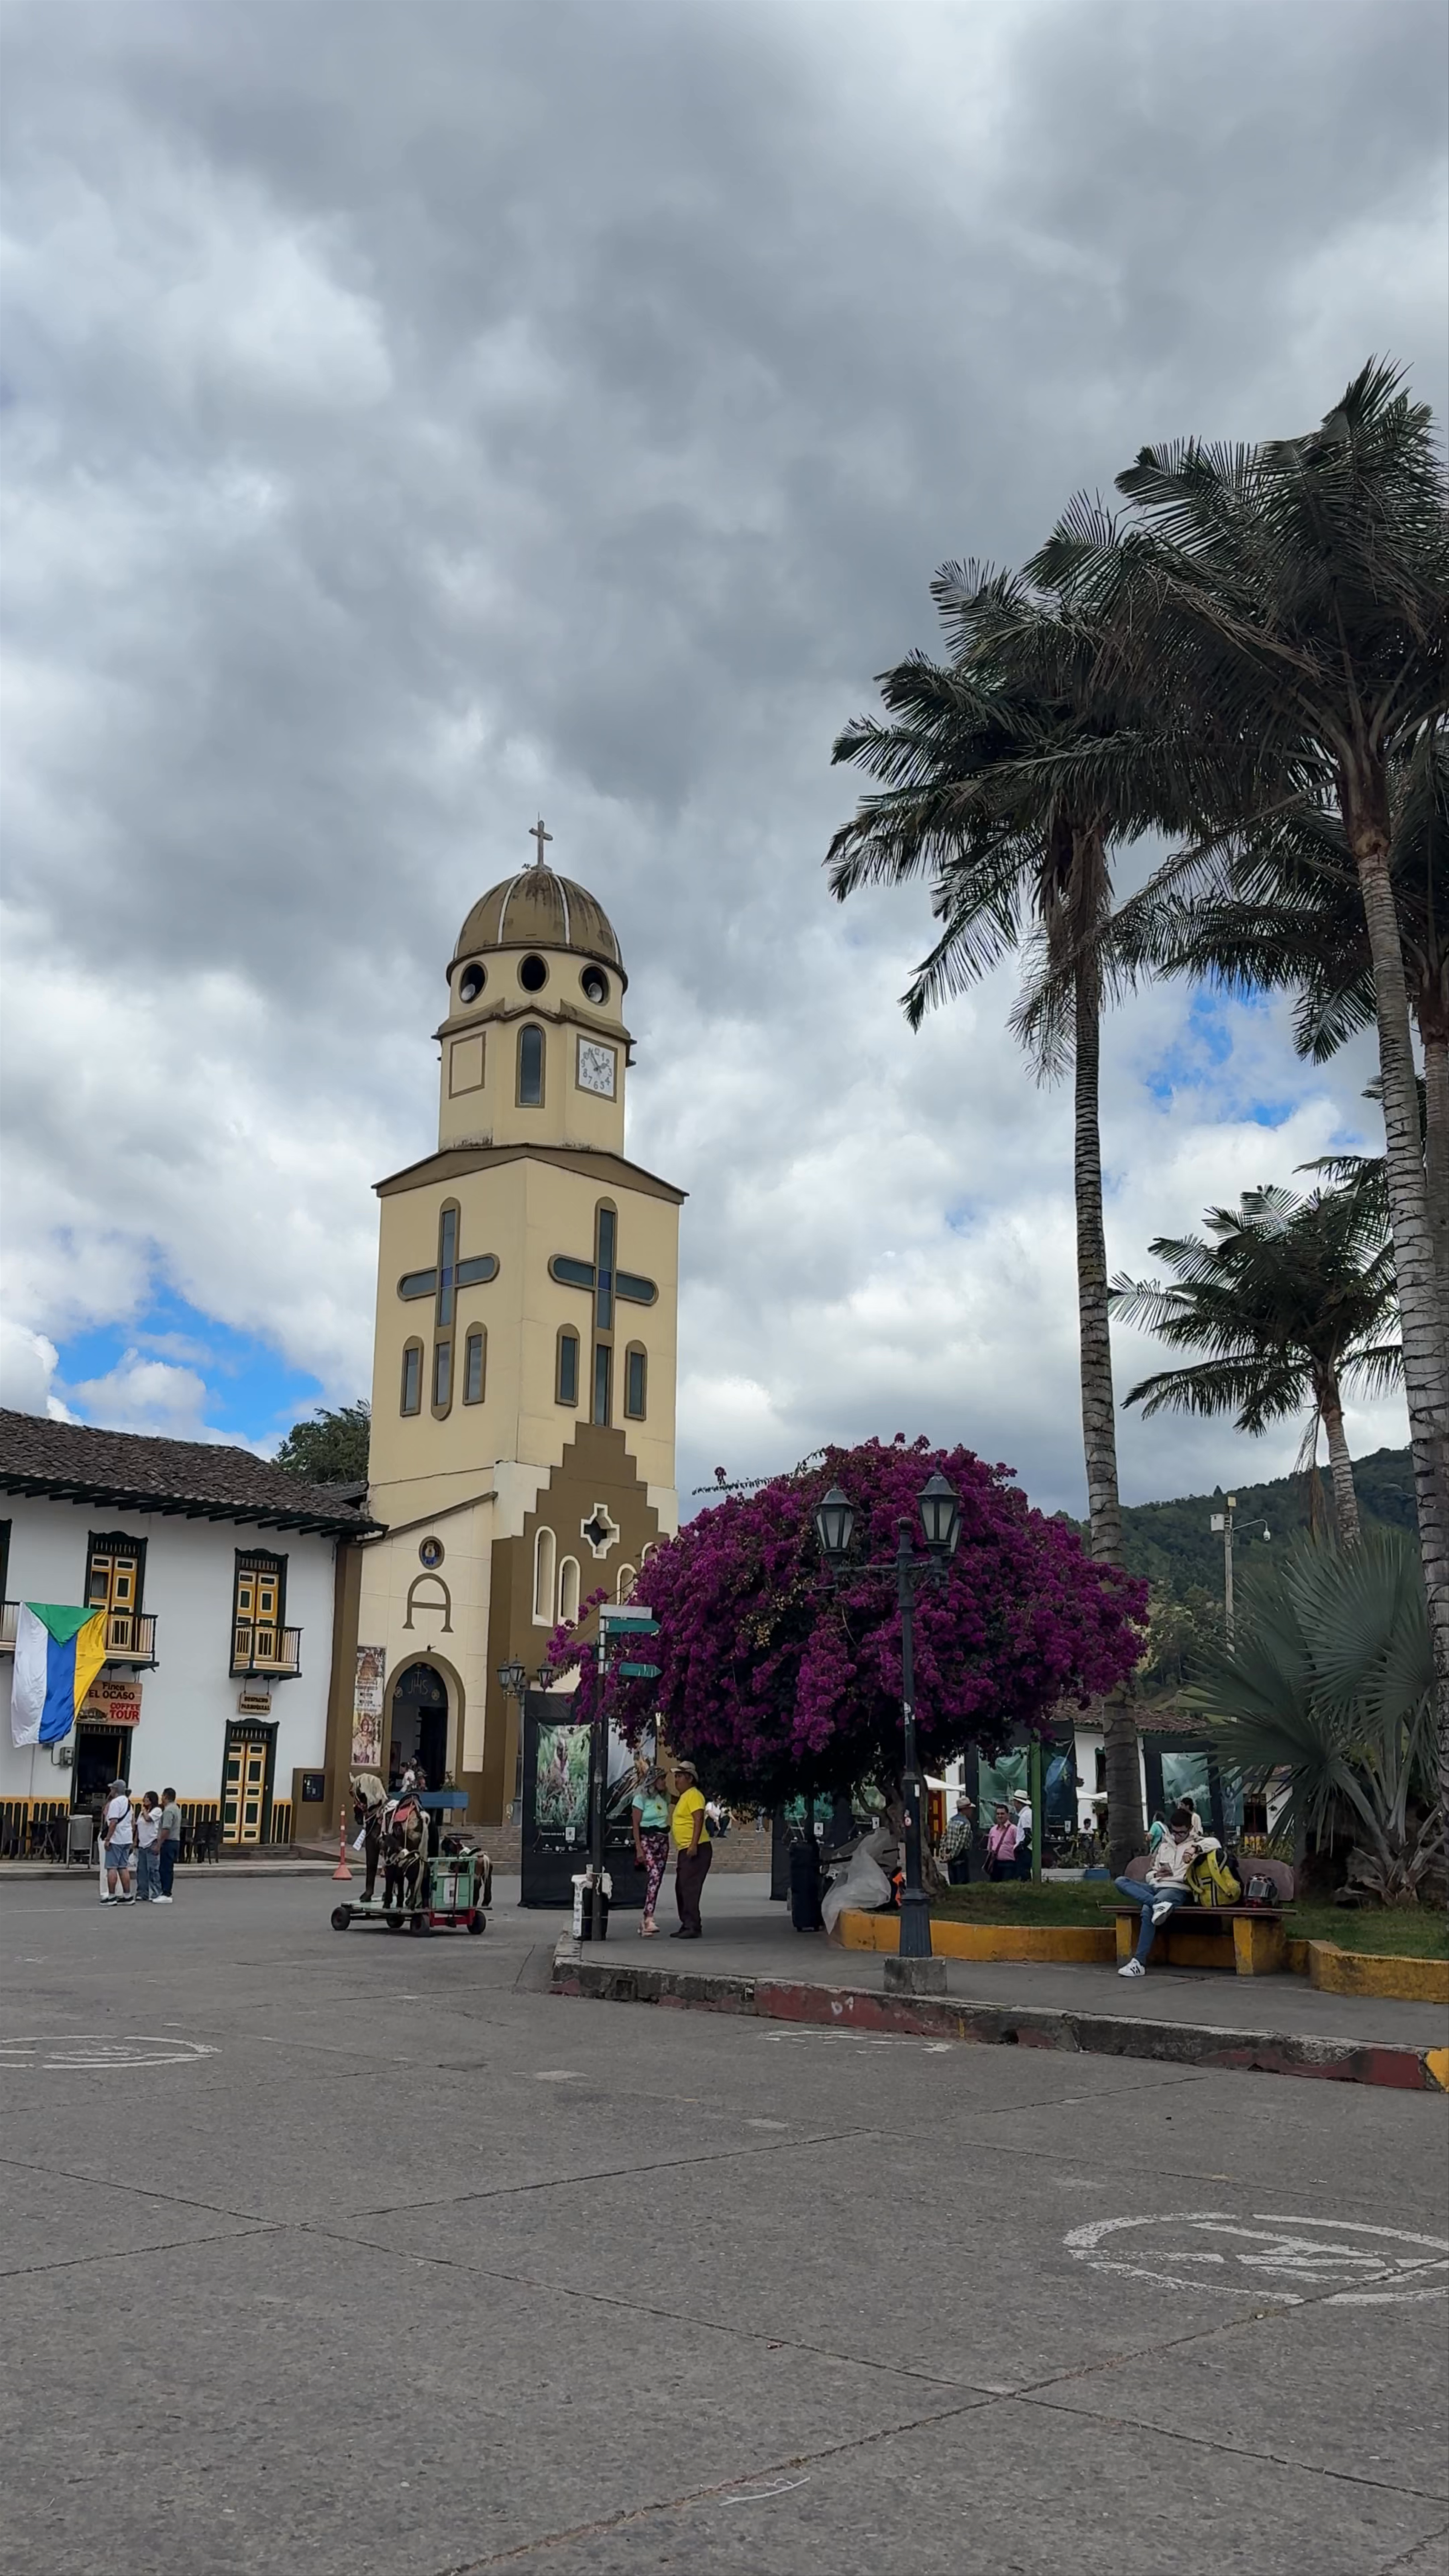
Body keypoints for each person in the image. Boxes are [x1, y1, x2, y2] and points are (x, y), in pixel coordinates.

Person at [1115, 1801, 1209, 1975]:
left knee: (1147, 1910)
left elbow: (1215, 1844)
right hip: (1156, 1887)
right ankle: (1157, 1904)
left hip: (1178, 1889)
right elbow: (1151, 1872)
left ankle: (1139, 1963)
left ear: (1190, 1829)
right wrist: (1156, 1875)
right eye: (1174, 1832)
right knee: (1121, 1882)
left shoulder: (1198, 1844)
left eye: (1182, 1833)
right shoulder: (1165, 1846)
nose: (1177, 1836)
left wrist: (1194, 1849)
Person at [669, 1761, 711, 1938]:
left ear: (690, 1779)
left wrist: (694, 1844)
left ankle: (693, 1926)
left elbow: (698, 1818)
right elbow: (674, 1800)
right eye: (676, 1777)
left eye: (679, 1777)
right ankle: (687, 1923)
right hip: (685, 1849)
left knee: (689, 1888)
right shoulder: (685, 1797)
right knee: (682, 1887)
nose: (676, 1780)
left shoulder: (694, 1795)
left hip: (696, 1848)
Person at [631, 1764, 671, 1937]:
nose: (664, 1782)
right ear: (654, 1780)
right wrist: (639, 1848)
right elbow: (635, 1824)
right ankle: (649, 1918)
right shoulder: (641, 1798)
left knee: (657, 1880)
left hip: (663, 1840)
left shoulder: (664, 1797)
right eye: (662, 1779)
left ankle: (646, 1919)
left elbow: (679, 1800)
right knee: (654, 1875)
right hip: (648, 1839)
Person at [102, 1780, 135, 1904]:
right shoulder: (129, 1803)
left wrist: (108, 1839)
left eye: (112, 1789)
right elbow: (132, 1823)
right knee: (123, 1867)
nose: (111, 1791)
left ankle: (112, 1897)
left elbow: (113, 1822)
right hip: (127, 1838)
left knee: (112, 1867)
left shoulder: (115, 1803)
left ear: (116, 1790)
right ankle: (127, 1896)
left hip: (116, 1839)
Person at [133, 1793, 163, 1902]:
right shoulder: (142, 1812)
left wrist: (145, 1811)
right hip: (142, 1844)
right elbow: (139, 1827)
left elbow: (148, 1819)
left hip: (152, 1842)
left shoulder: (157, 1811)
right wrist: (135, 1841)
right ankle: (142, 1893)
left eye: (147, 1798)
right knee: (141, 1870)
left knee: (153, 1870)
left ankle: (156, 1892)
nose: (145, 1800)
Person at [940, 1793, 975, 1885]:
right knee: (962, 1882)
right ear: (965, 1810)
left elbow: (944, 1837)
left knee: (953, 1880)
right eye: (970, 1809)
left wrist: (944, 1853)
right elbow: (960, 1843)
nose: (972, 1812)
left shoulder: (951, 1821)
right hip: (961, 1855)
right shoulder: (966, 1824)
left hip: (949, 1852)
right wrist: (952, 1855)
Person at [155, 1788, 181, 1899]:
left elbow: (166, 1829)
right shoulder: (176, 1808)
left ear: (166, 1796)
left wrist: (159, 1844)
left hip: (169, 1842)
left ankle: (166, 1892)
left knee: (165, 1868)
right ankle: (166, 1891)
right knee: (168, 1868)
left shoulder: (169, 1811)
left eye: (162, 1796)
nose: (161, 1798)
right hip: (175, 1841)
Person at [983, 1804, 1016, 1879]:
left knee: (1008, 1885)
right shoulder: (993, 1830)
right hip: (995, 1863)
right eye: (998, 1814)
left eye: (1002, 1814)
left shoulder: (1013, 1829)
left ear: (1008, 1815)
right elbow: (990, 1847)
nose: (1000, 1816)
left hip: (1009, 1864)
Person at [1011, 1790, 1034, 1879]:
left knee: (1024, 1873)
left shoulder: (1025, 1816)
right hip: (1029, 1848)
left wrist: (1020, 1847)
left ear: (1018, 1803)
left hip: (1026, 1850)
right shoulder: (1030, 1813)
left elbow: (1028, 1834)